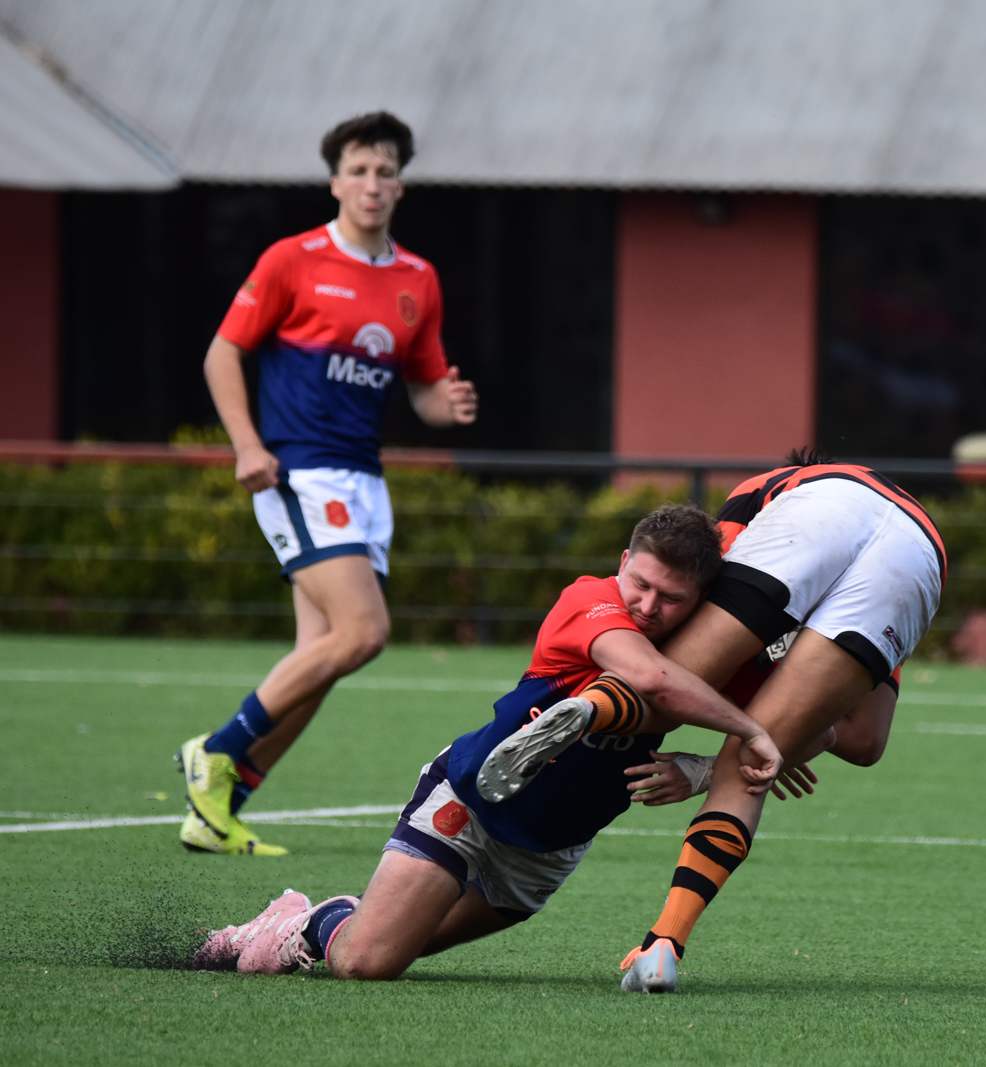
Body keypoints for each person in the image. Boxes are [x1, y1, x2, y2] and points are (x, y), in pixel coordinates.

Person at [192, 505, 792, 979]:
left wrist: (709, 764)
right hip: (471, 805)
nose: (648, 605)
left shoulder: (699, 654)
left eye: (672, 599)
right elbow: (653, 681)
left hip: (548, 850)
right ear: (623, 561)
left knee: (404, 942)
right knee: (365, 963)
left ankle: (343, 918)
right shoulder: (591, 598)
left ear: (699, 602)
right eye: (640, 583)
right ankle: (303, 920)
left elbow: (820, 728)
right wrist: (751, 730)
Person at [486, 448, 944, 992]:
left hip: (824, 509)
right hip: (921, 554)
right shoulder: (902, 527)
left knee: (668, 673)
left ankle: (591, 706)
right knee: (751, 763)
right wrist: (733, 755)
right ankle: (663, 946)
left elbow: (698, 602)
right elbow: (864, 737)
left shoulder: (773, 485)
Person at [176, 111, 478, 856]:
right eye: (358, 170)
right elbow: (221, 354)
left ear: (400, 185)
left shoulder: (417, 278)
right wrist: (247, 445)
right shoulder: (293, 259)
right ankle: (214, 752)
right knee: (363, 631)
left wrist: (448, 403)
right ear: (335, 180)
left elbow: (423, 385)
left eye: (384, 171)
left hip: (364, 480)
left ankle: (219, 807)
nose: (371, 184)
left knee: (323, 652)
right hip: (297, 469)